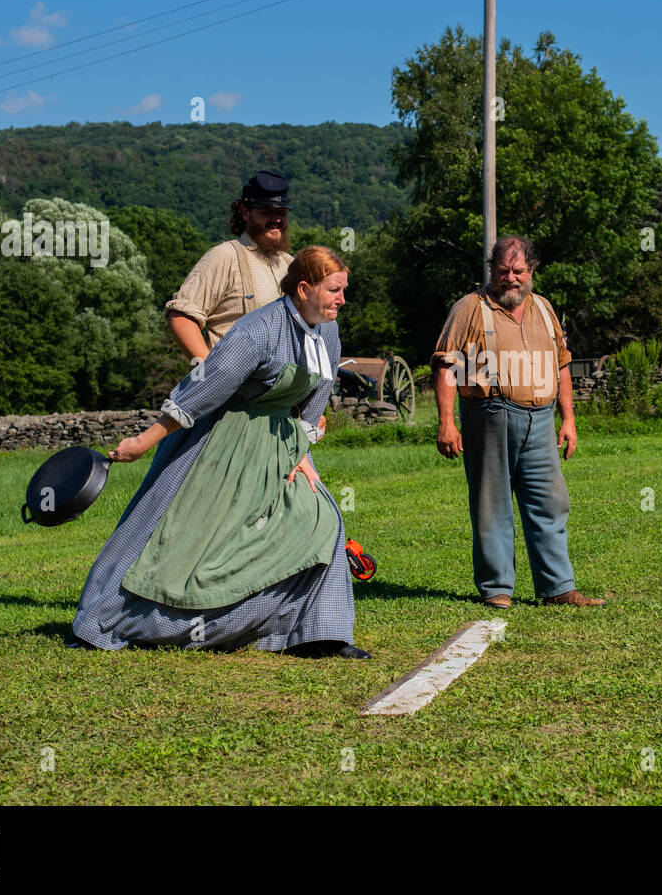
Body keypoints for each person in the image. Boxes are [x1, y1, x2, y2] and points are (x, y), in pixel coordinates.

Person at [68, 245, 370, 658]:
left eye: (343, 290)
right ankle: (104, 623)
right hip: (220, 443)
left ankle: (318, 634)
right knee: (175, 537)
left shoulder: (328, 332)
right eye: (335, 290)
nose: (342, 300)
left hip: (281, 443)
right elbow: (201, 392)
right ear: (304, 288)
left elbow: (319, 391)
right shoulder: (256, 331)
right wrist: (141, 442)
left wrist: (301, 449)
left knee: (321, 519)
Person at [431, 235, 604, 609]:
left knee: (551, 502)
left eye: (518, 271)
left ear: (532, 271)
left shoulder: (543, 308)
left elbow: (562, 364)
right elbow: (446, 365)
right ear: (492, 271)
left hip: (541, 419)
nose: (511, 279)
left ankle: (558, 587)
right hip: (490, 414)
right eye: (503, 271)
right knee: (492, 504)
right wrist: (447, 422)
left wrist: (568, 418)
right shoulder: (470, 308)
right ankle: (497, 590)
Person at [165, 170, 295, 362]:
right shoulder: (224, 256)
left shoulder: (289, 264)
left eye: (281, 213)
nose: (277, 219)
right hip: (235, 390)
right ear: (244, 212)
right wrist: (209, 373)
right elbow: (181, 317)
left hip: (281, 389)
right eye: (267, 211)